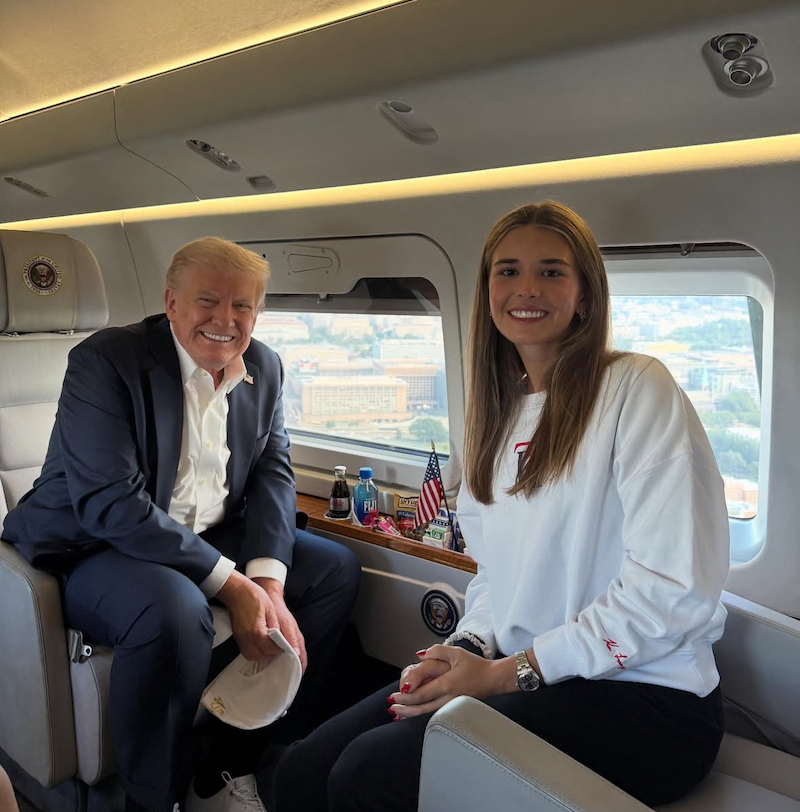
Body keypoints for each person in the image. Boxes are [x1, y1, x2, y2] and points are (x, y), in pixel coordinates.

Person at [272, 201, 730, 811]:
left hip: (648, 701)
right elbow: (495, 574)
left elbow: (672, 589)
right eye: (508, 271)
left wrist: (504, 675)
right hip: (523, 673)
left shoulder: (637, 389)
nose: (527, 288)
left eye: (551, 271)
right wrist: (468, 649)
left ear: (585, 294)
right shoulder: (496, 416)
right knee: (304, 770)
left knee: (367, 773)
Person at [2, 238, 361, 812]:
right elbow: (111, 504)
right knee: (174, 609)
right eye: (207, 301)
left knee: (333, 570)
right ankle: (153, 799)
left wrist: (268, 583)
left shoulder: (265, 366)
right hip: (94, 542)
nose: (225, 320)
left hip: (203, 532)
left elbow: (273, 473)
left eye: (242, 306)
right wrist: (233, 585)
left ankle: (228, 763)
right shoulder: (106, 362)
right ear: (171, 303)